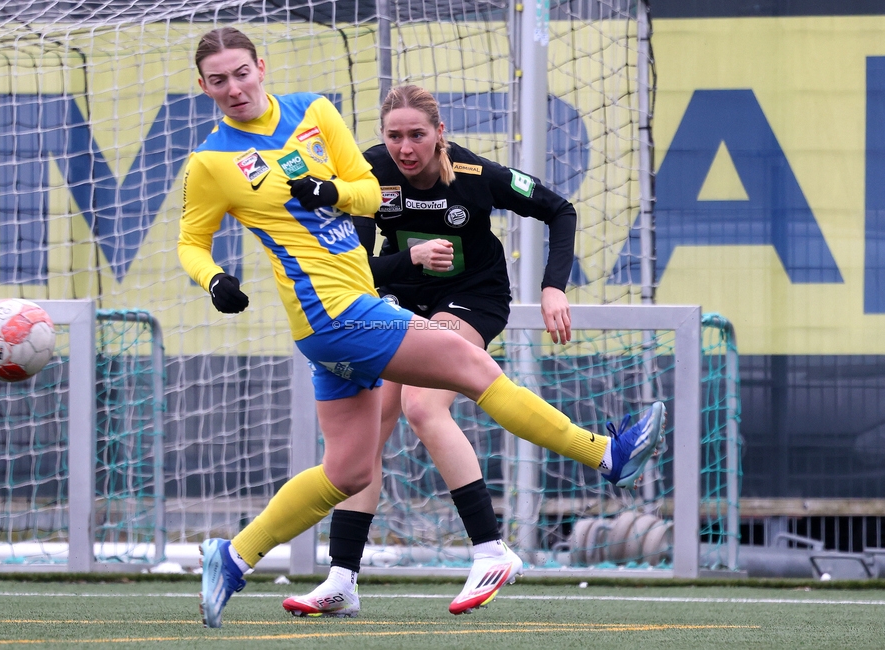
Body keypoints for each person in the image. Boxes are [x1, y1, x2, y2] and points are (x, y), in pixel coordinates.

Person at [179, 28, 666, 629]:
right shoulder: (210, 161)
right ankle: (605, 456)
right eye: (219, 80)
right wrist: (214, 279)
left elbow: (364, 194)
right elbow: (190, 243)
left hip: (342, 318)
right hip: (339, 314)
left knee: (349, 470)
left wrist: (329, 190)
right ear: (203, 87)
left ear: (262, 68)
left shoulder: (315, 113)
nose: (234, 88)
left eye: (242, 73)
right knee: (468, 372)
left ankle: (232, 558)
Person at [281, 85, 664, 618]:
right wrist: (410, 259)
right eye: (394, 135)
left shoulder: (478, 177)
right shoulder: (369, 175)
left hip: (473, 300)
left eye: (417, 134)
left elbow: (560, 209)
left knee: (421, 405)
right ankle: (342, 579)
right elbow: (359, 270)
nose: (405, 146)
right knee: (371, 429)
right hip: (400, 300)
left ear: (441, 133)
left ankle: (490, 549)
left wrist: (554, 285)